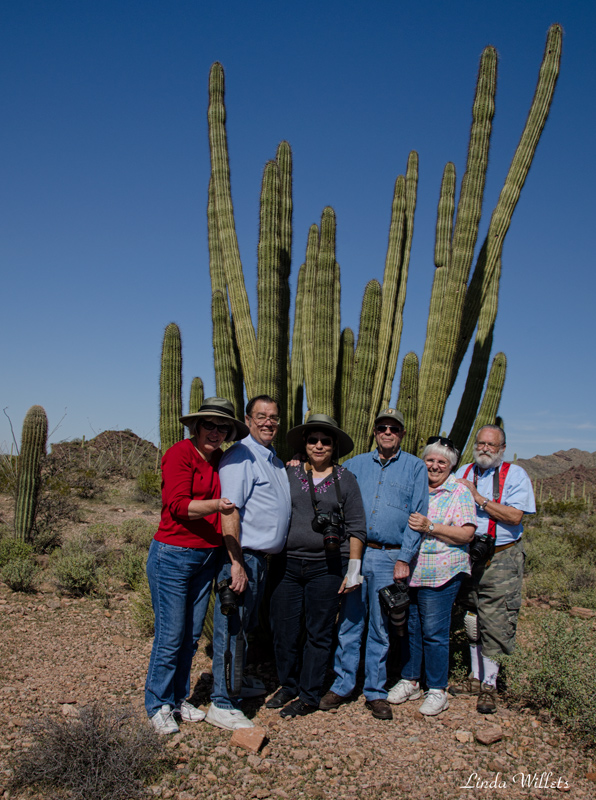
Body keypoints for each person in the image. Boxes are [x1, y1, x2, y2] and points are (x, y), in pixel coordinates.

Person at [145, 397, 249, 735]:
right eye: (210, 425)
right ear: (196, 426)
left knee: (189, 636)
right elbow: (177, 506)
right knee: (170, 635)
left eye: (223, 428)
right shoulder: (180, 454)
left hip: (206, 557)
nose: (216, 432)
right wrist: (217, 505)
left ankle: (176, 699)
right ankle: (157, 703)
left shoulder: (222, 459)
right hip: (173, 555)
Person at [319, 408, 428, 720]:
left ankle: (376, 691)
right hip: (356, 552)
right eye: (383, 427)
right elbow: (326, 482)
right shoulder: (354, 466)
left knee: (380, 626)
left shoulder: (415, 468)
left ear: (402, 434)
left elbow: (417, 517)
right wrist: (298, 463)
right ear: (375, 431)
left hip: (390, 556)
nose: (388, 432)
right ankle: (343, 684)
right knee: (350, 620)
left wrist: (405, 558)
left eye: (394, 428)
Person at [267, 414, 366, 718]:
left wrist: (353, 570)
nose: (319, 445)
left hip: (327, 568)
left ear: (334, 445)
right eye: (313, 440)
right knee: (284, 630)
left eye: (325, 441)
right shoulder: (289, 473)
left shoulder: (345, 479)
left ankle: (309, 694)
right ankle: (288, 684)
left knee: (318, 632)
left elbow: (357, 527)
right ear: (305, 444)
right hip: (287, 564)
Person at [205, 395, 292, 731]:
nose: (268, 422)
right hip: (243, 558)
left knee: (244, 626)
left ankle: (235, 683)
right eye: (260, 416)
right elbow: (230, 509)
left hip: (260, 561)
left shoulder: (271, 459)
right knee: (230, 627)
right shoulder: (241, 456)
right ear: (248, 418)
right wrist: (235, 562)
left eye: (273, 416)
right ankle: (222, 702)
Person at [387, 436, 476, 715]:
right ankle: (411, 680)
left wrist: (431, 526)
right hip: (411, 569)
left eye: (442, 462)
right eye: (430, 460)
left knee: (435, 632)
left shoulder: (458, 492)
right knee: (410, 628)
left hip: (442, 570)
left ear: (451, 467)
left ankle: (438, 689)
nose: (435, 466)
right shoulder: (416, 487)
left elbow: (466, 533)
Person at [451, 425, 536, 714]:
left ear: (502, 449)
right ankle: (475, 678)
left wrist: (479, 499)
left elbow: (514, 516)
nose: (485, 448)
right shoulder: (462, 471)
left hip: (502, 556)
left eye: (492, 445)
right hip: (467, 555)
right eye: (481, 443)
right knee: (472, 616)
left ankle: (490, 684)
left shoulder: (515, 475)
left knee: (497, 619)